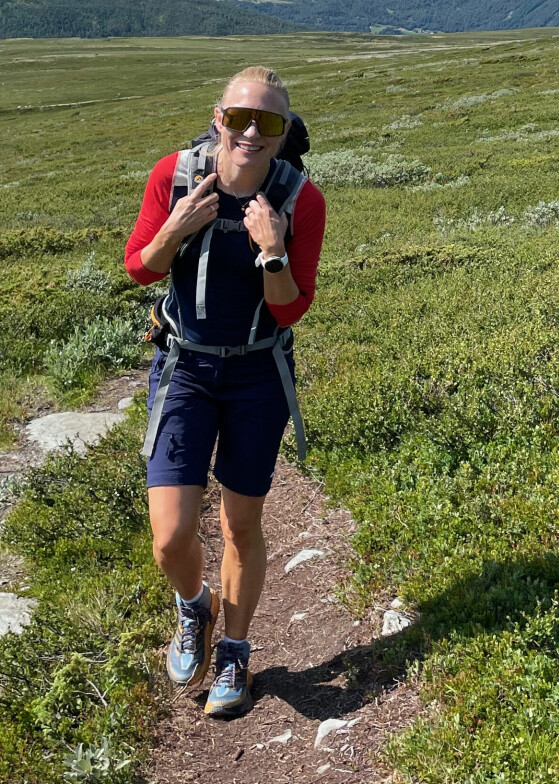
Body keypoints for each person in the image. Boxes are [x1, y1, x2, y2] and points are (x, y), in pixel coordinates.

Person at [124, 66, 325, 718]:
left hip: (256, 376)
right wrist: (175, 228)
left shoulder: (300, 200)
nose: (250, 132)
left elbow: (290, 310)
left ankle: (235, 648)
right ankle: (197, 608)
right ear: (218, 117)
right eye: (238, 117)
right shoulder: (174, 176)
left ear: (283, 132)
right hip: (183, 370)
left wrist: (272, 251)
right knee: (170, 536)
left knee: (242, 524)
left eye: (267, 123)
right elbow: (139, 268)